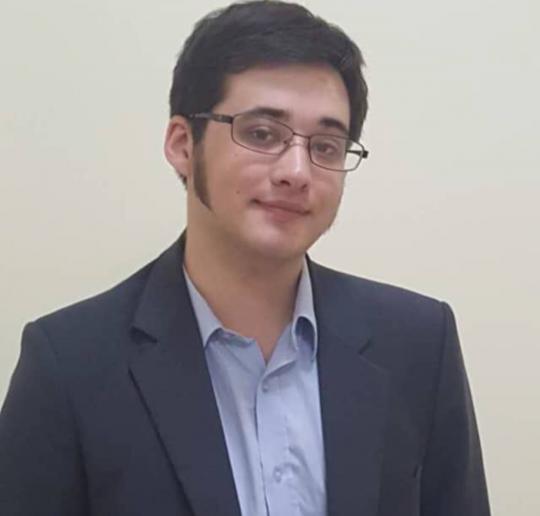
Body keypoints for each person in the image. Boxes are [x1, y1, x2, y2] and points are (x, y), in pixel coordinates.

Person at [0, 1, 491, 515]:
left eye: (326, 145)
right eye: (261, 134)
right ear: (182, 144)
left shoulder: (417, 343)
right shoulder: (70, 366)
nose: (297, 171)